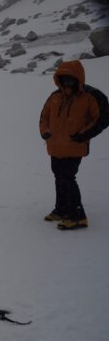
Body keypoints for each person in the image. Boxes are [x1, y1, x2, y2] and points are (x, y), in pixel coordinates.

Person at [39, 60, 107, 230]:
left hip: (74, 146)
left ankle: (77, 216)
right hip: (55, 146)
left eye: (70, 79)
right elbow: (44, 116)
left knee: (67, 178)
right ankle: (61, 209)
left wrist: (82, 135)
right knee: (59, 177)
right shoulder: (55, 96)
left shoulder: (91, 95)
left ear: (78, 78)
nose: (66, 82)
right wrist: (45, 132)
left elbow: (103, 117)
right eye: (63, 79)